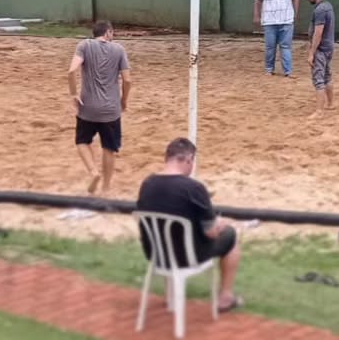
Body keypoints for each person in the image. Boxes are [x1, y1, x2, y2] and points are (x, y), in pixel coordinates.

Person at [136, 137, 243, 313]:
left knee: (169, 234)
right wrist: (221, 225)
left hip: (156, 253)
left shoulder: (147, 184)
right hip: (188, 255)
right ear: (188, 159)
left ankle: (171, 297)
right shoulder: (194, 188)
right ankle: (225, 296)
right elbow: (210, 232)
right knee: (231, 236)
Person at [68, 20, 132, 194]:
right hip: (111, 110)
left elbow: (71, 71)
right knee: (109, 148)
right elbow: (127, 80)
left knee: (82, 142)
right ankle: (105, 187)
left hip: (87, 107)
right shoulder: (119, 49)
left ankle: (93, 172)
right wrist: (124, 100)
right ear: (108, 32)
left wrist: (73, 93)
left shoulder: (84, 45)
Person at [254, 0, 300, 78]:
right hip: (269, 20)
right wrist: (257, 15)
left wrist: (295, 13)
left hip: (286, 20)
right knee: (270, 46)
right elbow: (258, 0)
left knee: (286, 46)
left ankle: (288, 71)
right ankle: (269, 69)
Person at [306, 0, 335, 114]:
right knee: (327, 76)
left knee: (318, 79)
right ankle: (330, 104)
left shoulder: (319, 10)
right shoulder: (328, 6)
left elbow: (318, 32)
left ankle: (319, 110)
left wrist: (312, 52)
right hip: (329, 47)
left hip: (321, 48)